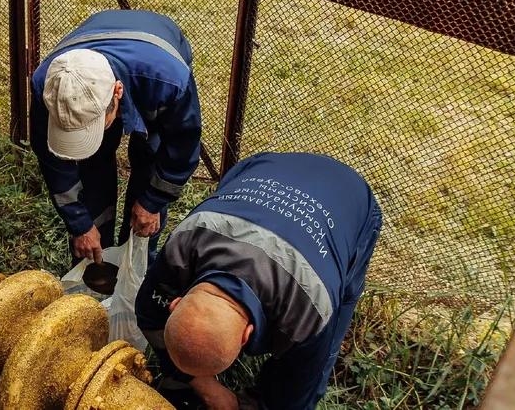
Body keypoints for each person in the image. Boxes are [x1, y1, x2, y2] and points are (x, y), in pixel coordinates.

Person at [135, 152, 383, 410]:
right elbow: (149, 314)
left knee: (318, 353)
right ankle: (184, 381)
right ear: (174, 303)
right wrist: (208, 389)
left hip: (351, 199)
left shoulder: (309, 312)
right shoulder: (183, 243)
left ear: (247, 335)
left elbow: (293, 401)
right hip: (265, 167)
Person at [30, 9, 202, 266]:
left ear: (117, 92)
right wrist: (80, 224)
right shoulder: (50, 85)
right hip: (107, 46)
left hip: (153, 64)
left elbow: (181, 148)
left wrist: (152, 202)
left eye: (92, 126)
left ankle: (135, 264)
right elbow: (53, 161)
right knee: (92, 165)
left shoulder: (168, 82)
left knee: (150, 155)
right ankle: (95, 259)